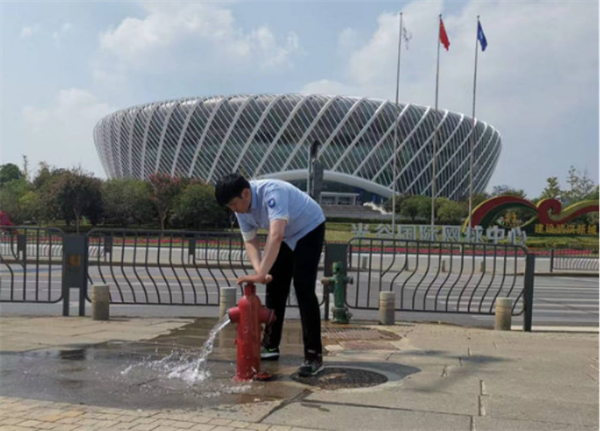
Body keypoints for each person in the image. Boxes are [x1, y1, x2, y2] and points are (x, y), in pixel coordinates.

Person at [215, 174, 326, 377]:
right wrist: (260, 273)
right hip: (286, 234)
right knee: (274, 288)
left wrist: (261, 273)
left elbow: (276, 235)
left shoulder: (273, 192)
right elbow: (250, 241)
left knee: (303, 288)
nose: (233, 210)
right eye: (229, 206)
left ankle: (313, 356)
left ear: (246, 193)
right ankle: (271, 345)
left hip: (309, 228)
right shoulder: (241, 209)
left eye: (233, 204)